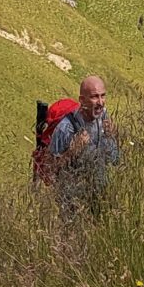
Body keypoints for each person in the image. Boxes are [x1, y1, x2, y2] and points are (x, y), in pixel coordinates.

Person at [41, 75, 119, 203]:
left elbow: (116, 160)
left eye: (103, 96)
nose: (100, 102)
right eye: (94, 97)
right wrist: (73, 151)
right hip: (72, 201)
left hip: (100, 198)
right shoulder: (65, 128)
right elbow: (49, 170)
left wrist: (111, 136)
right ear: (82, 100)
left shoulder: (103, 117)